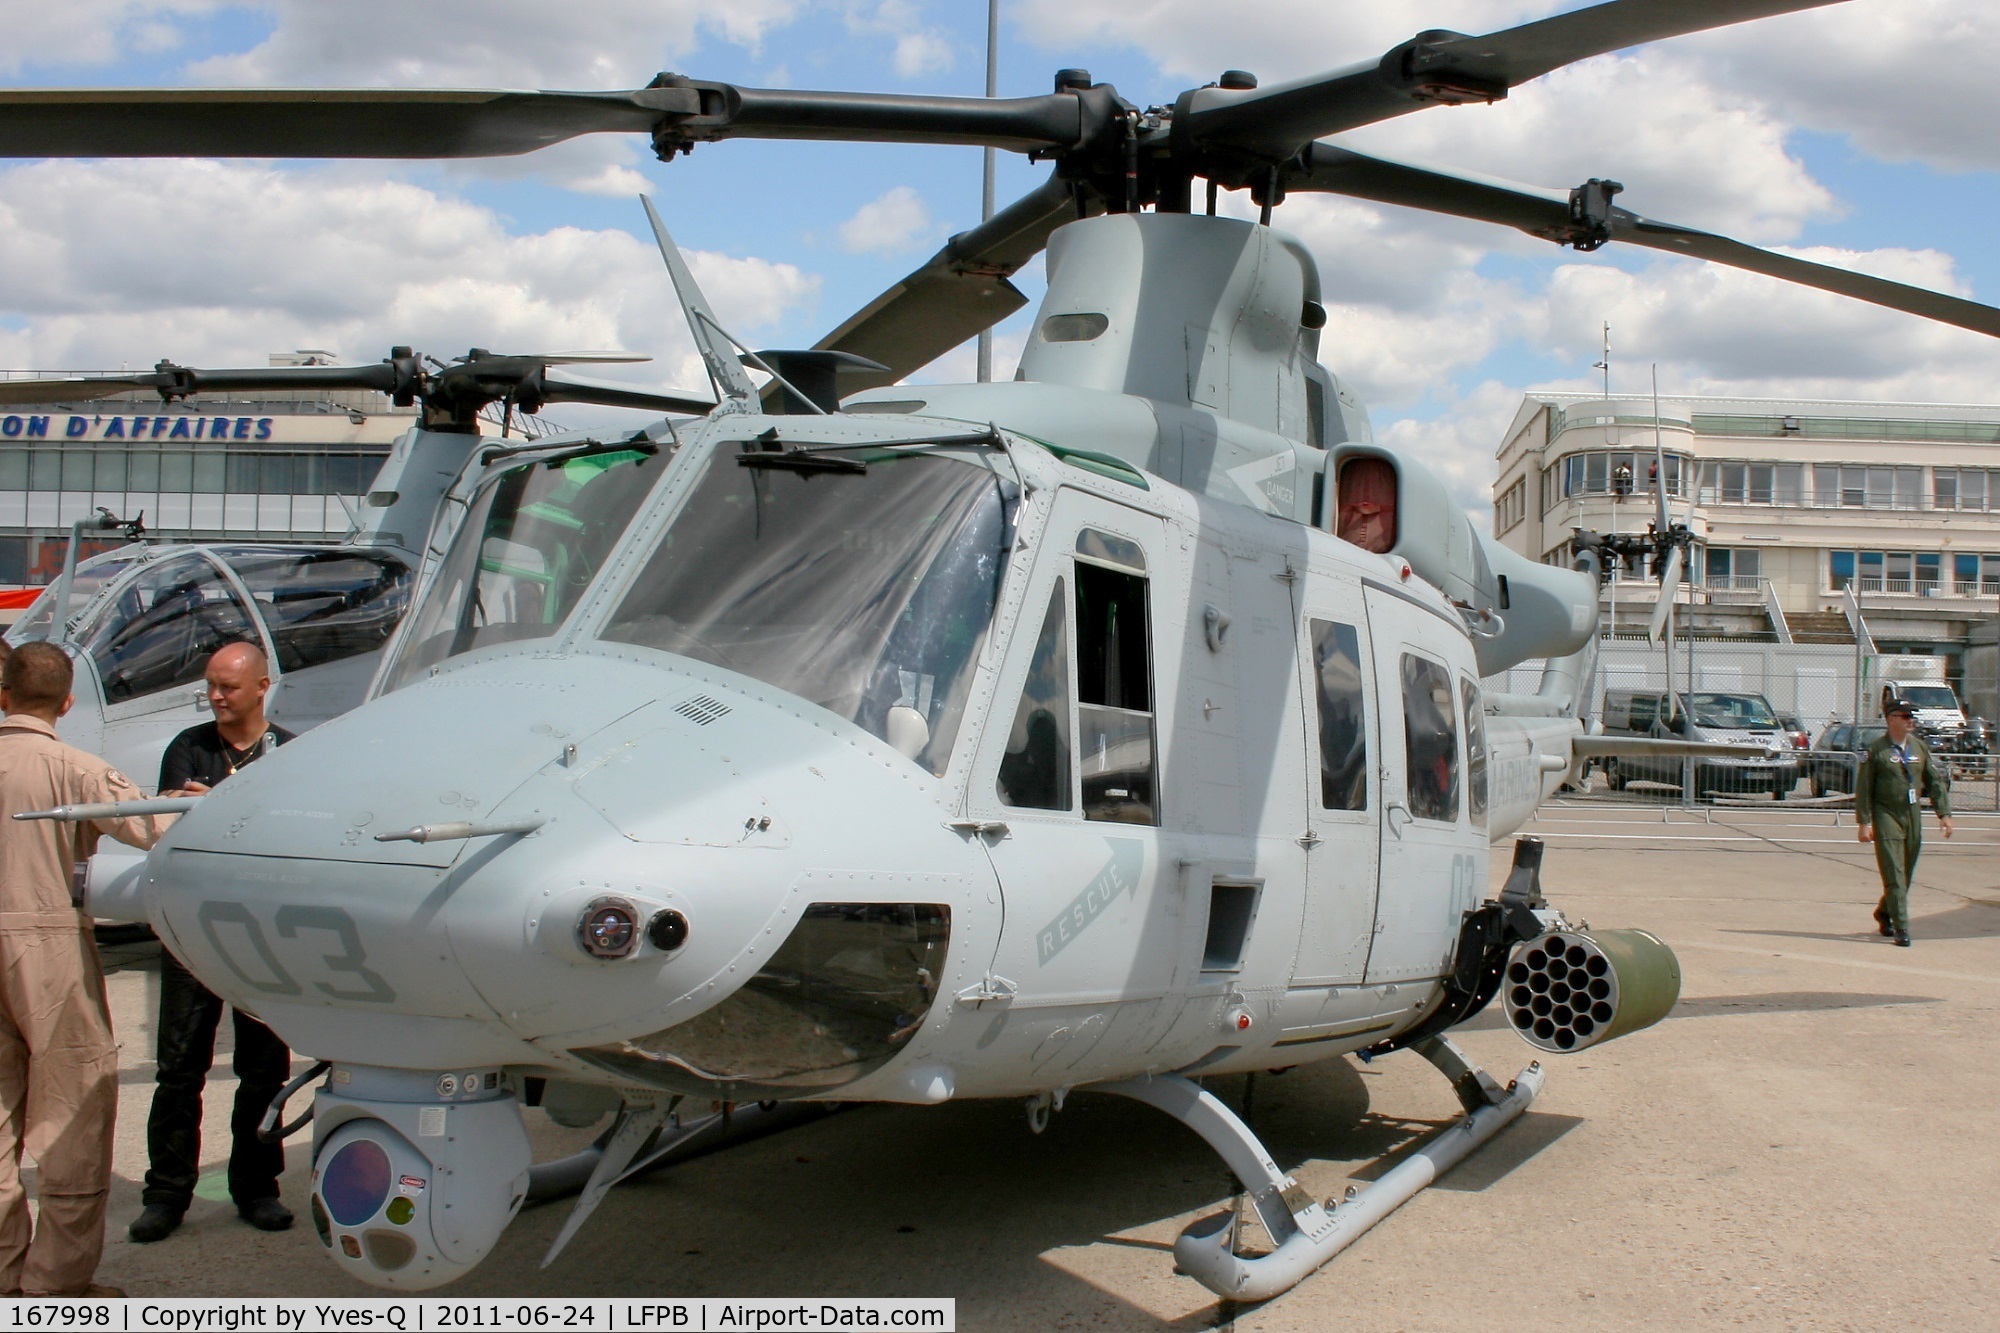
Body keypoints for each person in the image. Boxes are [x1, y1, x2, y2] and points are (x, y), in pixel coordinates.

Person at [0, 641, 168, 1297]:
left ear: (4, 693)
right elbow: (152, 828)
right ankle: (55, 1285)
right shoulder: (75, 767)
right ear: (68, 702)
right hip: (45, 945)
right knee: (74, 1111)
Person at [129, 642, 295, 1244]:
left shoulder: (291, 753)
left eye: (228, 686)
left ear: (260, 687)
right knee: (178, 1069)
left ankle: (257, 1188)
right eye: (211, 686)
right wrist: (242, 812)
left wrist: (221, 804)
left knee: (263, 1071)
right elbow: (177, 821)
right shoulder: (189, 747)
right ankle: (167, 1194)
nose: (217, 697)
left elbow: (292, 832)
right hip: (190, 933)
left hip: (259, 937)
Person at [1855, 699, 1953, 947]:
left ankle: (1883, 911)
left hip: (1912, 813)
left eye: (1912, 716)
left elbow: (1934, 781)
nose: (1911, 720)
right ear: (1890, 719)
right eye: (1905, 715)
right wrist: (1864, 822)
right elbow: (1864, 789)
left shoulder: (1919, 747)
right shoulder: (1876, 750)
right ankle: (1902, 927)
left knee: (1906, 871)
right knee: (1894, 872)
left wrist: (1944, 813)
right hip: (1886, 813)